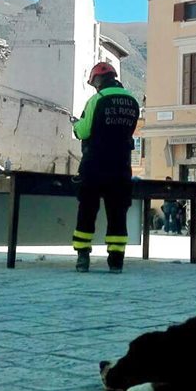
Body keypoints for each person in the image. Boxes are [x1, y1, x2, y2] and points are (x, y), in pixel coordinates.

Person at [71, 62, 140, 272]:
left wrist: (76, 125)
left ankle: (83, 257)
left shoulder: (97, 100)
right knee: (117, 212)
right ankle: (116, 261)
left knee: (87, 209)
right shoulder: (132, 101)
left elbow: (83, 131)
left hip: (95, 164)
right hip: (121, 166)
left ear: (98, 81)